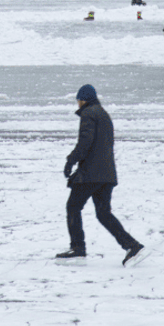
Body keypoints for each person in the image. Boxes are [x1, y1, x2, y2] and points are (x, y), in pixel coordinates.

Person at [55, 84, 143, 264]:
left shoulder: (88, 114)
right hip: (107, 174)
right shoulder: (103, 114)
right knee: (103, 213)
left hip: (91, 174)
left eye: (78, 100)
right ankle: (131, 245)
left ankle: (78, 248)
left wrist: (70, 161)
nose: (78, 104)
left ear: (83, 100)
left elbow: (85, 143)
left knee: (73, 207)